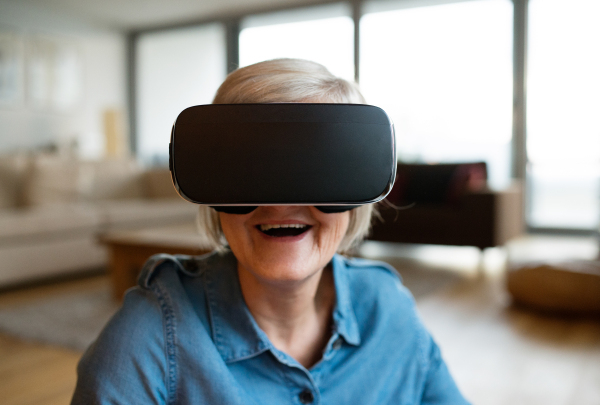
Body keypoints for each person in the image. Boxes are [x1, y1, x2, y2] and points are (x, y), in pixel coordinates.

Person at [71, 59, 470, 405]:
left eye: (315, 169)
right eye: (251, 170)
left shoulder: (389, 311)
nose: (281, 204)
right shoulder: (147, 340)